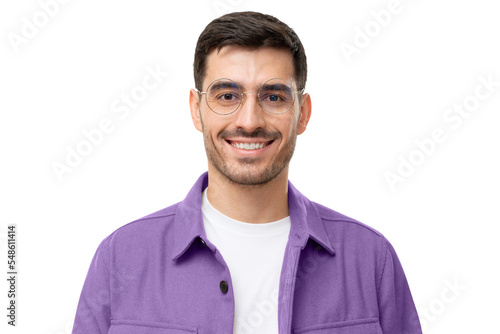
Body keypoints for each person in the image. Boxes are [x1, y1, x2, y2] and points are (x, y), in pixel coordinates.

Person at [72, 11, 422, 334]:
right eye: (227, 95)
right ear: (197, 110)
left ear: (302, 113)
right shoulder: (122, 257)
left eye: (274, 97)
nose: (250, 121)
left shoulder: (370, 259)